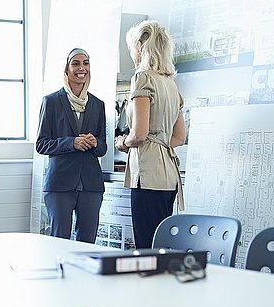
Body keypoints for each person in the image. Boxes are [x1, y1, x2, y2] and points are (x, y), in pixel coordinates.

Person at [114, 20, 186, 248]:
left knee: (146, 247)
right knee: (161, 246)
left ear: (139, 45)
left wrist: (121, 142)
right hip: (169, 175)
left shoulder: (143, 78)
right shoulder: (170, 83)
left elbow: (140, 134)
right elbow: (178, 137)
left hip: (147, 174)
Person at [36, 48, 107, 243]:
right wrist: (71, 142)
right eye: (76, 63)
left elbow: (103, 148)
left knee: (88, 244)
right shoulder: (51, 102)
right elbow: (41, 145)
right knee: (59, 242)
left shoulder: (98, 104)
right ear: (66, 69)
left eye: (86, 63)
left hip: (91, 185)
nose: (81, 68)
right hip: (60, 185)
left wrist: (95, 143)